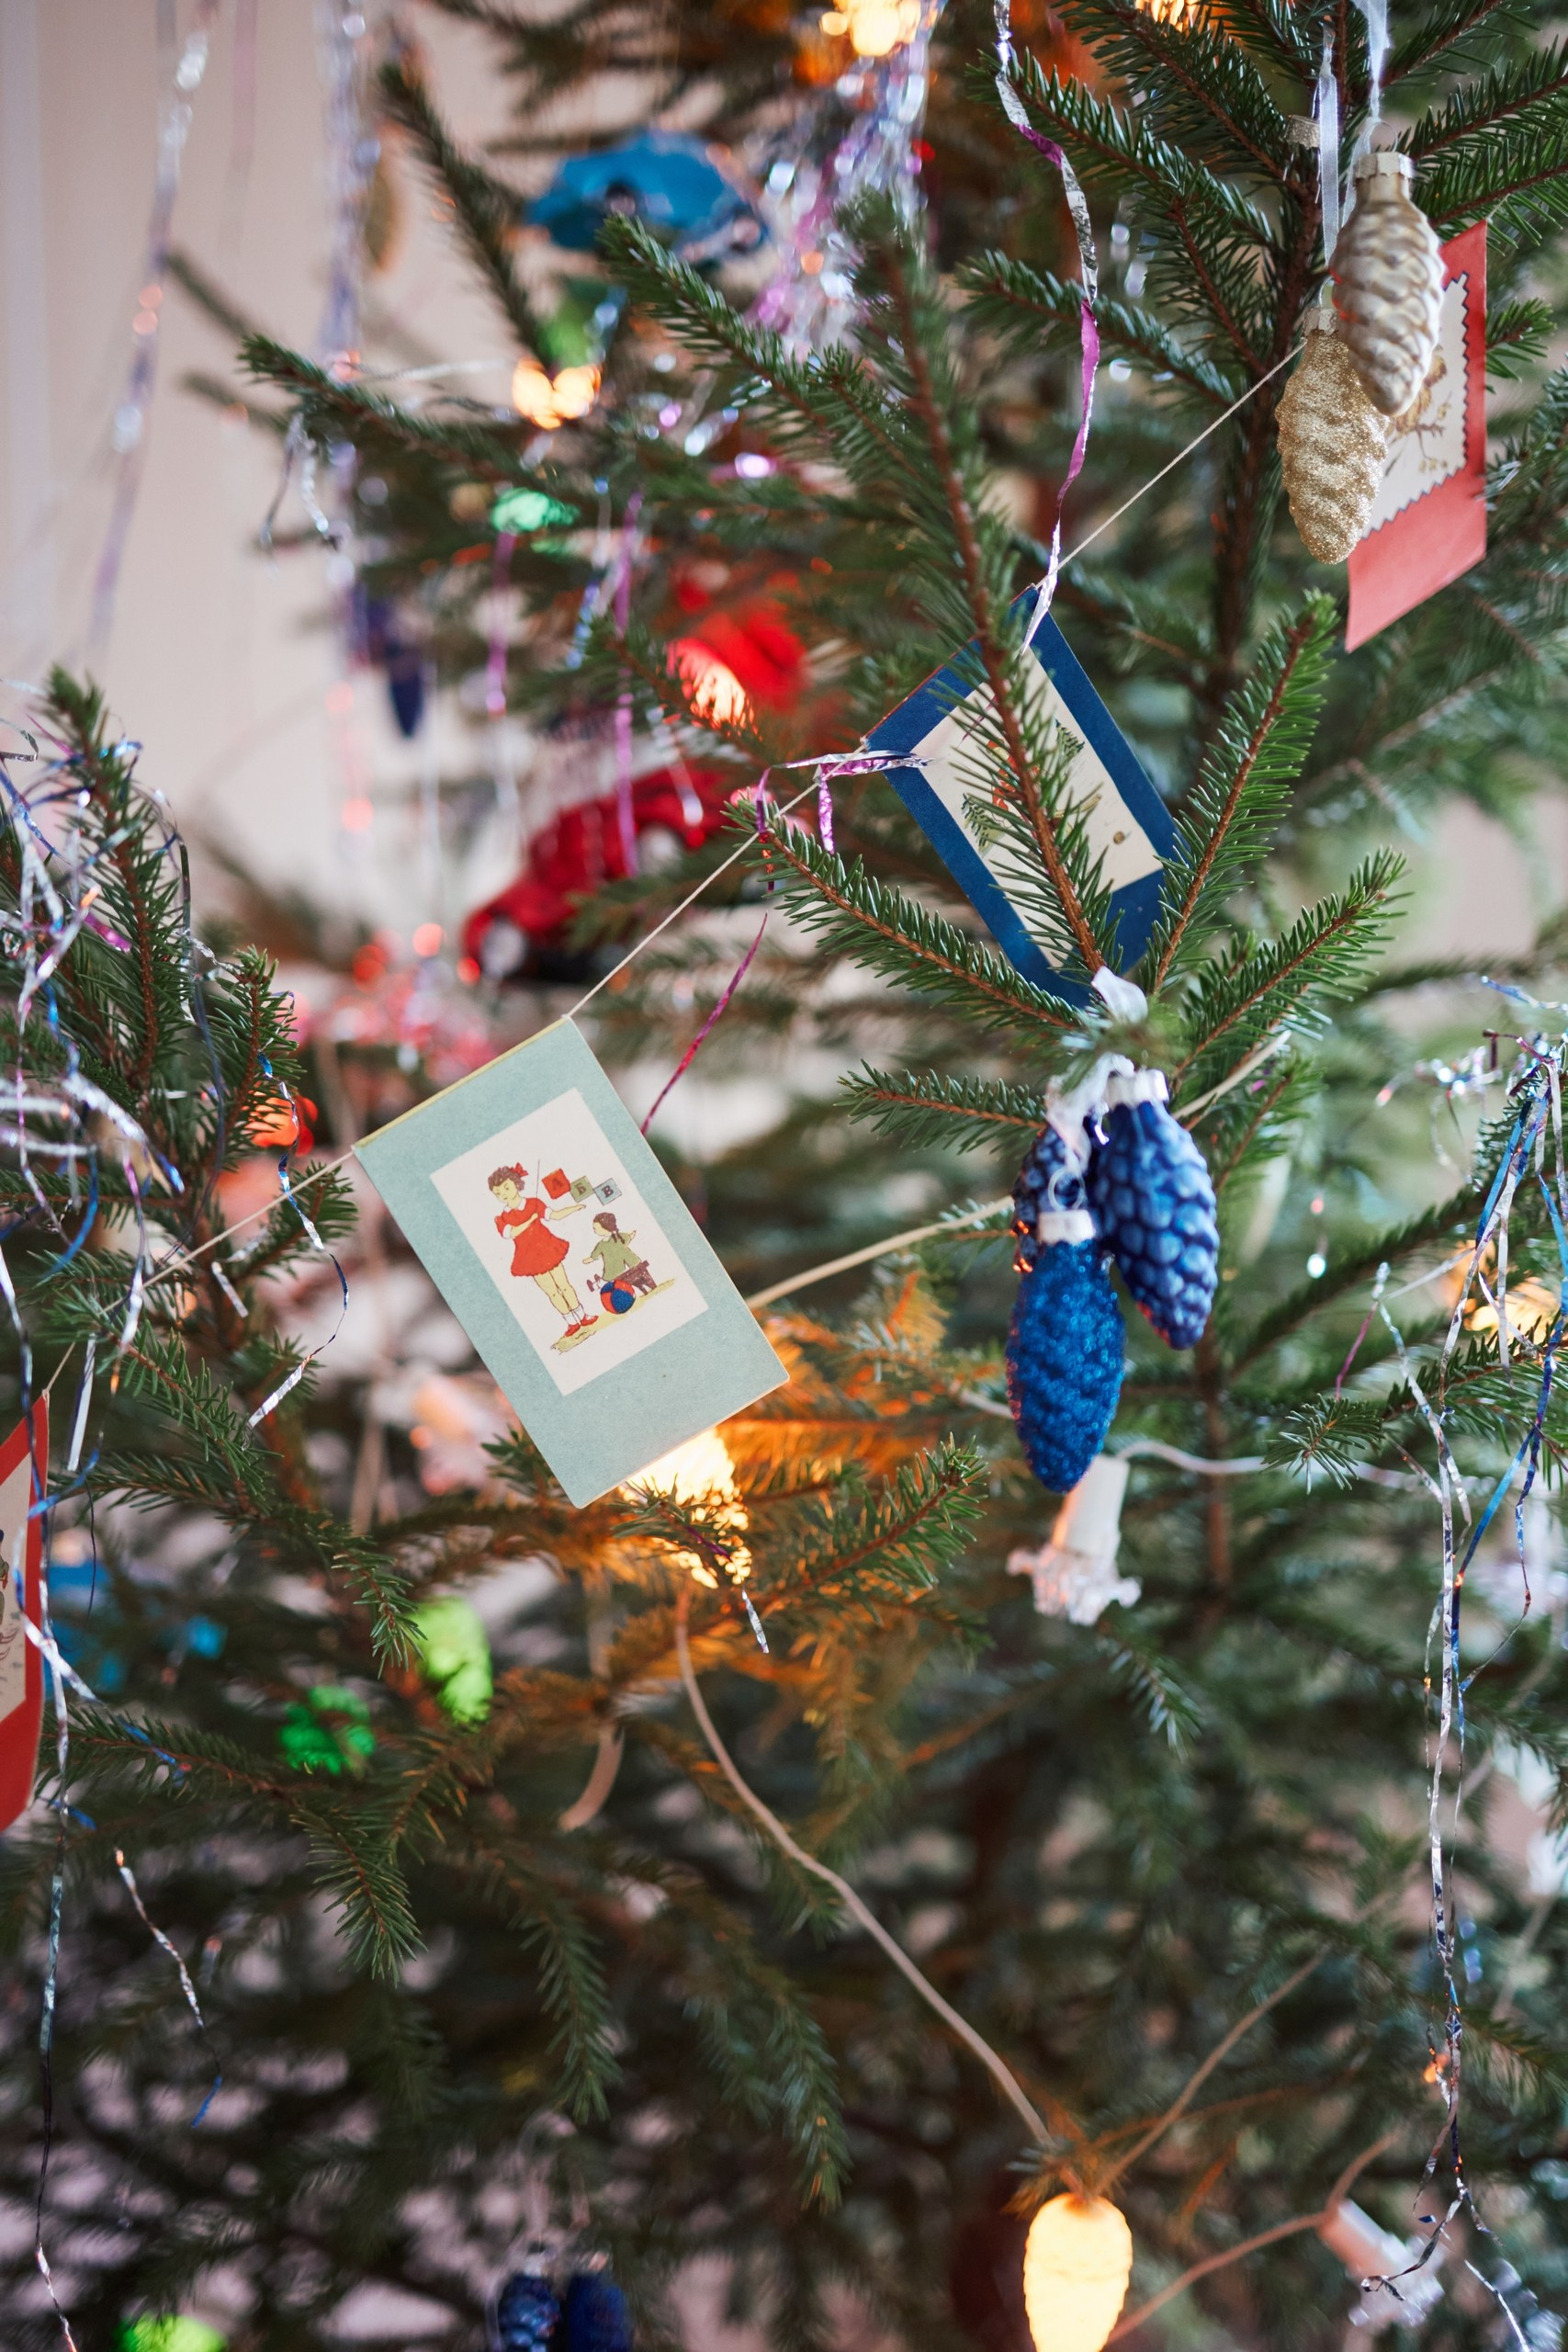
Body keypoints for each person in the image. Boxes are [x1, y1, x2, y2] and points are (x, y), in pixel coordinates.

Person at [488, 1164, 595, 1337]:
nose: (504, 1194)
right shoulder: (502, 1218)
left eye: (506, 1188)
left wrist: (573, 1208)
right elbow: (511, 1233)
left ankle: (583, 1316)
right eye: (498, 1193)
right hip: (529, 1256)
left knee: (564, 1285)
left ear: (516, 1184)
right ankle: (571, 1322)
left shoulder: (533, 1203)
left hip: (547, 1248)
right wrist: (530, 1221)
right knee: (551, 1291)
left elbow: (554, 1215)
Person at [583, 1210, 656, 1298]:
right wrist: (633, 1233)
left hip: (615, 1275)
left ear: (604, 1228)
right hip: (636, 1266)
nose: (594, 1230)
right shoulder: (620, 1236)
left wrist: (586, 1260)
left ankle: (595, 1285)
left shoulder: (601, 1245)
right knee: (615, 1272)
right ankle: (648, 1287)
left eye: (595, 1228)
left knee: (607, 1277)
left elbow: (593, 1257)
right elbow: (630, 1236)